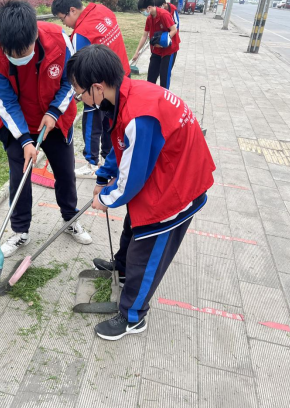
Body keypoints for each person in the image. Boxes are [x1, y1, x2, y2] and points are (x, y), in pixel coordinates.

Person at [66, 44, 215, 341]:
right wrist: (104, 175)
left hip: (177, 186)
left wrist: (105, 198)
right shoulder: (123, 95)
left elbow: (130, 181)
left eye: (79, 94)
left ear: (98, 87)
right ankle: (122, 269)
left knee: (146, 250)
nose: (79, 99)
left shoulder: (139, 114)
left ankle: (133, 316)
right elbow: (122, 144)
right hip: (163, 167)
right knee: (132, 225)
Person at [0, 0, 92, 258]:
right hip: (17, 124)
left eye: (25, 51)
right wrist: (24, 140)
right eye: (14, 53)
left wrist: (53, 112)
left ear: (35, 35)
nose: (20, 58)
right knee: (19, 176)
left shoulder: (59, 40)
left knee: (65, 172)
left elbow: (71, 81)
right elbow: (3, 101)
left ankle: (70, 219)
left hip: (54, 119)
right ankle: (20, 231)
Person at [52, 0, 131, 179]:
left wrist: (78, 92)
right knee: (111, 121)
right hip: (121, 78)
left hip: (96, 88)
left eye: (63, 18)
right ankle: (110, 159)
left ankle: (91, 163)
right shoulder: (102, 10)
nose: (64, 23)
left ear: (72, 10)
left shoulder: (81, 34)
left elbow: (80, 69)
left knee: (92, 123)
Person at [132, 0, 180, 89]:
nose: (143, 13)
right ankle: (150, 96)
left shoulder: (164, 15)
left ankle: (164, 96)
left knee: (164, 77)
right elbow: (144, 36)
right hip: (156, 50)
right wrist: (137, 52)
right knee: (151, 77)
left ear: (149, 8)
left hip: (169, 50)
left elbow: (174, 30)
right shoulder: (149, 19)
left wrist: (163, 41)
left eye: (142, 11)